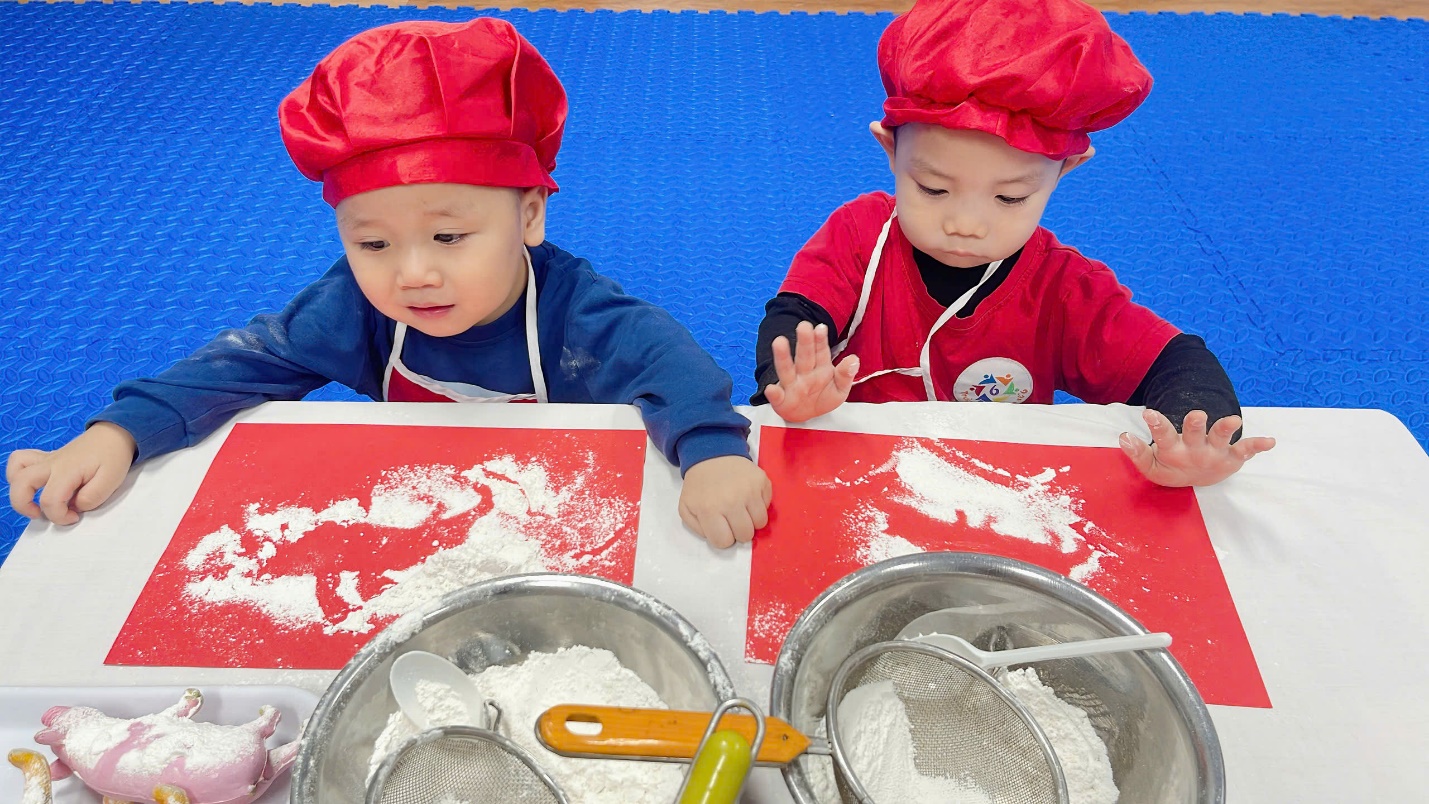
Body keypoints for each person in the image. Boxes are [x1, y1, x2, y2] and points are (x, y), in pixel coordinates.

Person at [6, 18, 770, 548]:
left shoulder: (579, 315)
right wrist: (119, 430)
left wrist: (711, 453)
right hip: (427, 507)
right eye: (372, 242)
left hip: (569, 511)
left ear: (530, 214)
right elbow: (238, 365)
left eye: (448, 236)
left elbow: (675, 367)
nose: (413, 273)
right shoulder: (353, 308)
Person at [752, 0, 1274, 487]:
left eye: (1008, 198)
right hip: (851, 465)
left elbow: (1174, 362)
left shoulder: (1064, 290)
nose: (965, 224)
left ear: (1065, 171)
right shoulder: (859, 234)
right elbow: (795, 316)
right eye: (932, 188)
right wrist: (794, 383)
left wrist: (1192, 439)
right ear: (890, 150)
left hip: (995, 490)